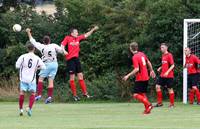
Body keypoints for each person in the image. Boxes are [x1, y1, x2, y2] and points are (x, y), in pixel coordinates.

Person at [61, 26, 99, 101]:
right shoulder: (67, 38)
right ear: (72, 33)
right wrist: (64, 50)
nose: (77, 33)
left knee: (80, 76)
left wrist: (93, 29)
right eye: (76, 32)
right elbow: (62, 45)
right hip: (70, 60)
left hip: (76, 59)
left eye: (77, 32)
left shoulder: (78, 38)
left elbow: (86, 35)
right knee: (72, 77)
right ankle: (75, 95)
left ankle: (85, 93)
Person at [26, 28, 63, 104]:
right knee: (51, 81)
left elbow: (32, 41)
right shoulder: (54, 45)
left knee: (40, 79)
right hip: (54, 64)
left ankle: (39, 95)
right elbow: (61, 50)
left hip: (46, 64)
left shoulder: (41, 46)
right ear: (49, 41)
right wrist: (64, 49)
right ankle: (49, 97)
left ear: (43, 41)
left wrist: (28, 32)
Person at [123, 42, 155, 115]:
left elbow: (137, 69)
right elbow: (148, 62)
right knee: (142, 94)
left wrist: (128, 75)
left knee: (135, 94)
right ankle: (147, 110)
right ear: (137, 48)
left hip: (140, 78)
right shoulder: (142, 54)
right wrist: (151, 70)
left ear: (131, 49)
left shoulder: (135, 57)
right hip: (146, 77)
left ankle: (149, 105)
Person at [16, 43, 46, 116]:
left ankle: (21, 109)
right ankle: (29, 108)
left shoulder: (23, 56)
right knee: (32, 94)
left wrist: (23, 66)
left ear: (27, 49)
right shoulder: (37, 58)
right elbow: (44, 67)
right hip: (31, 79)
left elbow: (17, 66)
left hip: (23, 78)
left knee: (22, 93)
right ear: (34, 49)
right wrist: (37, 68)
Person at [154, 43, 175, 108]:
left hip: (169, 76)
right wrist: (160, 67)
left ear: (166, 48)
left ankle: (172, 104)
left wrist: (167, 72)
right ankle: (160, 103)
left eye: (162, 47)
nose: (161, 49)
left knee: (170, 89)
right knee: (157, 86)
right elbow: (165, 64)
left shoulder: (169, 55)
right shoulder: (163, 55)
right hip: (162, 75)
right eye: (161, 47)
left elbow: (172, 65)